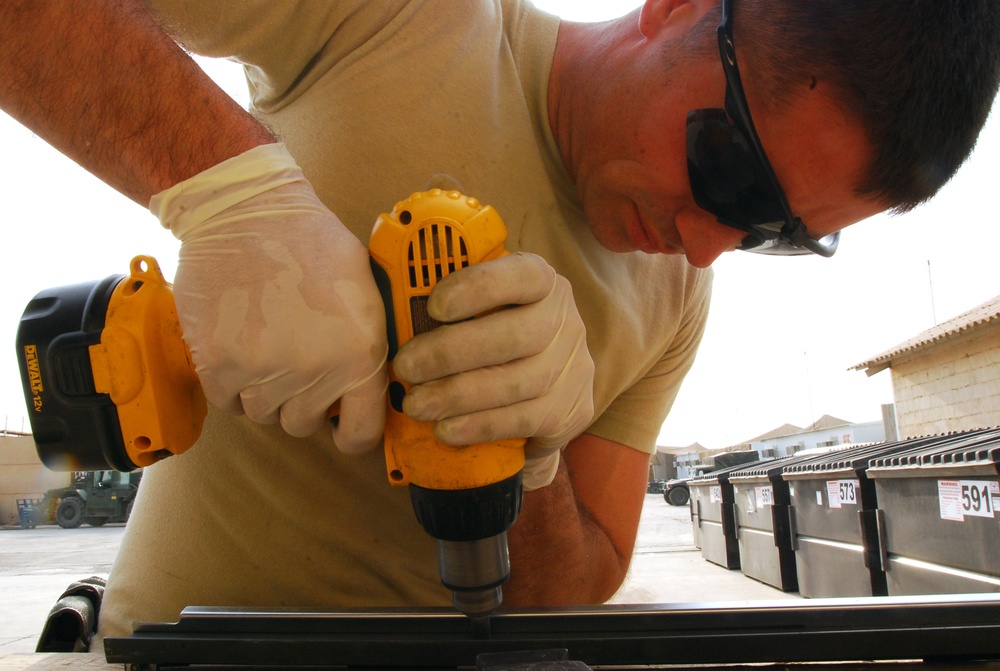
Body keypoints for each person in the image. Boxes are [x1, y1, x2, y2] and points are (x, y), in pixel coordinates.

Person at [1, 0, 997, 648]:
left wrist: (533, 459)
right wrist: (224, 188)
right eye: (728, 171)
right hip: (171, 645)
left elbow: (581, 580)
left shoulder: (675, 300)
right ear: (680, 11)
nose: (704, 242)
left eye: (770, 231)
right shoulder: (400, 21)